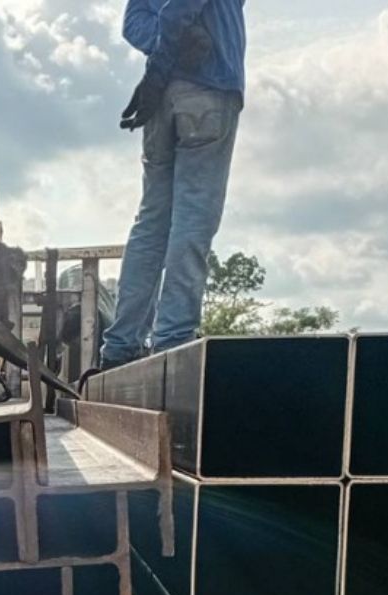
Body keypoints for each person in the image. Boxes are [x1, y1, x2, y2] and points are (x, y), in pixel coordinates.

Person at [98, 0, 247, 369]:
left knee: (152, 222)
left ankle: (120, 346)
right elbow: (178, 10)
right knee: (193, 218)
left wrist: (162, 60)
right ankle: (173, 340)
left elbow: (135, 21)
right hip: (207, 89)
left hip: (162, 98)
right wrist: (169, 54)